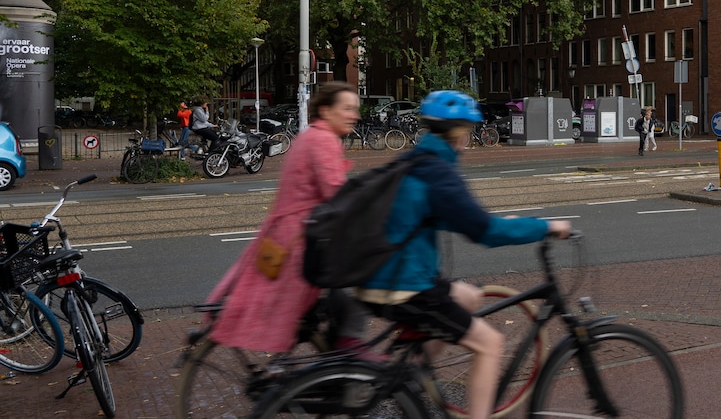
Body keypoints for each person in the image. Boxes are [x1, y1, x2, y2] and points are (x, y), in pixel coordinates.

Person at [356, 90, 571, 419]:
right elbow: (483, 233)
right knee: (490, 344)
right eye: (467, 133)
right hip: (404, 284)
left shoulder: (416, 160)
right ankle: (413, 382)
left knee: (468, 297)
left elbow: (441, 216)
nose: (468, 142)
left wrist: (499, 223)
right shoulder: (438, 173)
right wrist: (543, 227)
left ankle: (409, 374)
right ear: (456, 133)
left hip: (381, 274)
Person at [205, 82, 369, 353]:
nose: (355, 115)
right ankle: (333, 366)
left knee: (305, 313)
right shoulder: (322, 140)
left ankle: (326, 364)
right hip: (300, 243)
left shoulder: (312, 136)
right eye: (348, 108)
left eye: (356, 109)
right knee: (354, 294)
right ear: (326, 111)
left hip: (287, 237)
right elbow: (337, 195)